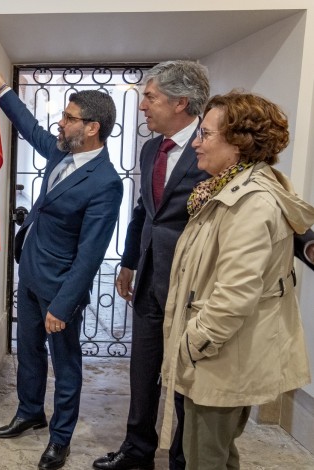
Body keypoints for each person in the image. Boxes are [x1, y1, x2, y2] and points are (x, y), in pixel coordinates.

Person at [159, 91, 314, 469]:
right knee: (217, 455)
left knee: (205, 459)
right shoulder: (226, 189)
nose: (196, 142)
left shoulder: (251, 203)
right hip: (218, 356)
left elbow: (234, 296)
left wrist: (193, 344)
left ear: (239, 142)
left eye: (206, 134)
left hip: (218, 357)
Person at [0, 70, 123, 470]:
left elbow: (90, 254)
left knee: (66, 365)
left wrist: (63, 306)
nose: (60, 124)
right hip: (29, 272)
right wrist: (4, 92)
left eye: (68, 117)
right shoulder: (62, 152)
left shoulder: (105, 182)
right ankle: (30, 411)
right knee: (27, 351)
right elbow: (30, 128)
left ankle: (60, 438)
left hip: (61, 287)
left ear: (92, 127)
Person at [93, 60, 209, 470]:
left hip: (190, 287)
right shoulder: (150, 149)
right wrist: (128, 262)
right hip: (148, 280)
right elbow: (145, 211)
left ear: (180, 102)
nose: (142, 105)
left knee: (183, 380)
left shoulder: (212, 148)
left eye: (150, 97)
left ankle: (181, 458)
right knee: (142, 373)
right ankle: (137, 451)